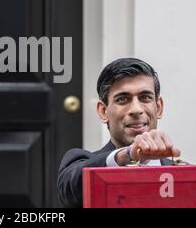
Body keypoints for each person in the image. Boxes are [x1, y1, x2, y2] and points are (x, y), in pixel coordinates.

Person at [57, 58, 181, 208]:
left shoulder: (184, 174)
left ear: (159, 107)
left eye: (145, 97)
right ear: (103, 112)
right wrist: (129, 155)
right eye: (123, 99)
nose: (136, 109)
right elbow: (70, 188)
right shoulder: (80, 163)